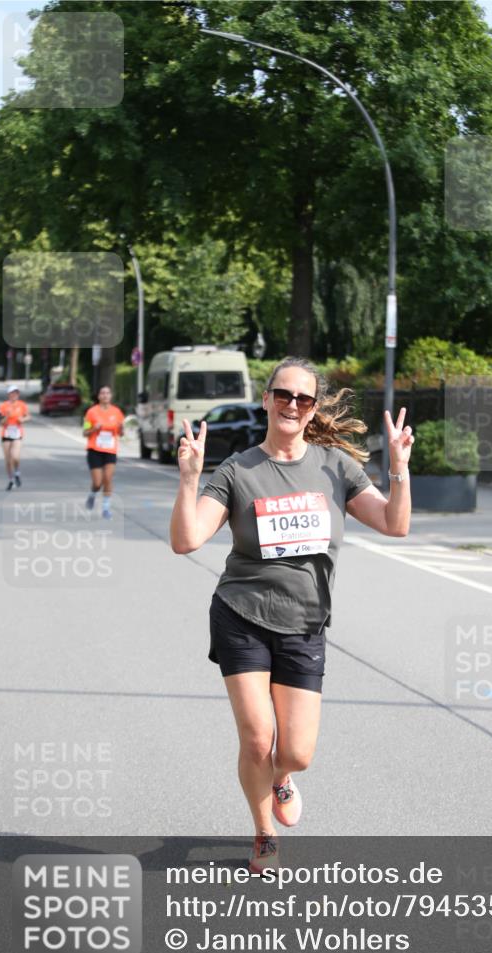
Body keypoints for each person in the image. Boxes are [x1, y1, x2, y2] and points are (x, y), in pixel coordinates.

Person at [170, 357, 414, 873]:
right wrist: (190, 478)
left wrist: (398, 465)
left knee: (297, 752)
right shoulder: (237, 470)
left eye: (304, 399)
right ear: (267, 399)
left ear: (313, 409)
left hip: (305, 623)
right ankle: (263, 833)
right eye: (284, 395)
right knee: (258, 736)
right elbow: (187, 539)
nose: (293, 406)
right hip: (241, 614)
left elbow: (395, 524)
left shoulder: (335, 468)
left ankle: (280, 778)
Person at [82, 386, 124, 519]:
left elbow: (121, 433)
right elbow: (85, 432)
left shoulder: (117, 412)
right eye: (102, 393)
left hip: (110, 450)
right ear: (99, 396)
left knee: (107, 478)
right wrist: (94, 428)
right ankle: (92, 494)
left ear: (111, 396)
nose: (105, 395)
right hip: (94, 449)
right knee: (97, 482)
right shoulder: (91, 412)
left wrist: (122, 428)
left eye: (107, 393)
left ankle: (106, 508)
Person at [0, 384, 30, 489]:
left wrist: (23, 420)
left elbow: (28, 416)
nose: (14, 395)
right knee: (8, 460)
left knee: (15, 457)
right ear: (9, 394)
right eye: (12, 393)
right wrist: (6, 417)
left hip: (17, 433)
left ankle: (17, 472)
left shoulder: (22, 405)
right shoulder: (3, 406)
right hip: (6, 433)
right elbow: (0, 422)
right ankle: (11, 479)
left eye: (16, 393)